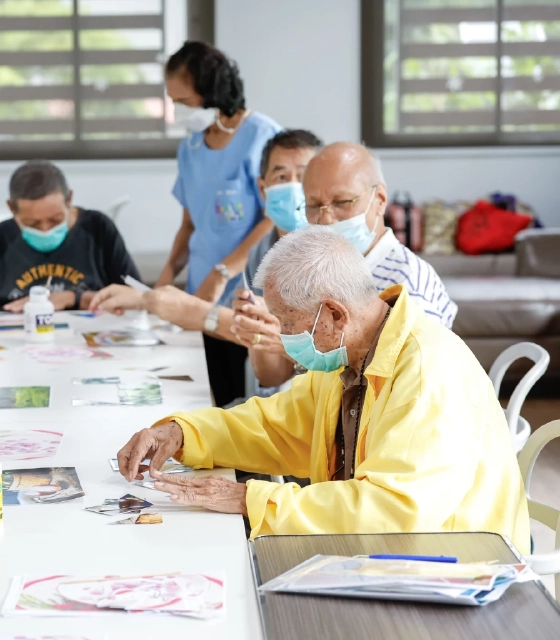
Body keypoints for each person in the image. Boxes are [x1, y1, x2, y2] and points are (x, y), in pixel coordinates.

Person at [116, 226, 529, 551]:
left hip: (453, 565)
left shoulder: (425, 370)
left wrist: (247, 498)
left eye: (287, 322)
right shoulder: (352, 353)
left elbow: (394, 512)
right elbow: (276, 426)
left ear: (334, 313)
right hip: (384, 549)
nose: (282, 334)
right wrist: (182, 432)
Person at [232, 142, 457, 388]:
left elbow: (399, 389)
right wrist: (262, 329)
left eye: (342, 202)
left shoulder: (408, 285)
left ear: (380, 199)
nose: (326, 218)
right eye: (314, 206)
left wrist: (288, 345)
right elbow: (274, 378)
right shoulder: (320, 269)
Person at [90, 129, 322, 347]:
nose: (293, 187)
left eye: (302, 177)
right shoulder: (261, 253)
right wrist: (147, 300)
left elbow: (302, 345)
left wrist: (197, 312)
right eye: (282, 176)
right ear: (262, 189)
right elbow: (259, 347)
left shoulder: (329, 255)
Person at [159, 41, 283, 406]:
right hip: (202, 292)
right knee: (209, 393)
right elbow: (189, 224)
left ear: (211, 90)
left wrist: (224, 271)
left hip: (246, 291)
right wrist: (165, 277)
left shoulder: (262, 136)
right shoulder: (191, 147)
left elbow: (273, 217)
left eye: (183, 101)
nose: (178, 111)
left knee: (251, 399)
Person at [0, 160, 140, 317]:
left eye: (55, 219)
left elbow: (137, 298)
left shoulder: (98, 229)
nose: (45, 229)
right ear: (12, 209)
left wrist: (73, 298)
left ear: (69, 199)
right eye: (32, 223)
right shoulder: (0, 239)